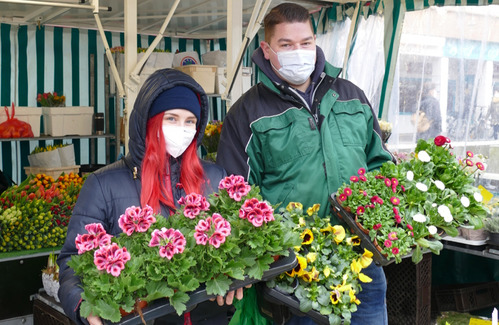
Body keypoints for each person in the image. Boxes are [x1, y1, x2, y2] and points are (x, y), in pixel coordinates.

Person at [216, 3, 393, 324]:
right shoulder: (248, 114)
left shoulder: (351, 96)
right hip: (296, 271)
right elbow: (235, 197)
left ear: (315, 42)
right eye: (286, 45)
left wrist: (382, 220)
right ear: (267, 50)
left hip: (362, 260)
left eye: (306, 43)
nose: (299, 52)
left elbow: (381, 164)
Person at [57, 68, 243, 325]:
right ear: (148, 121)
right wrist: (83, 306)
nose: (183, 129)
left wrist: (235, 277)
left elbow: (237, 246)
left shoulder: (214, 177)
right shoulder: (102, 184)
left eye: (190, 121)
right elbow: (72, 262)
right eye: (172, 118)